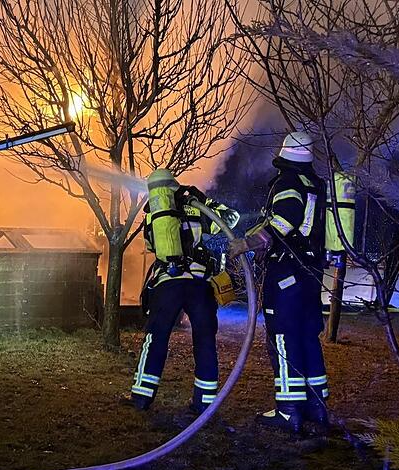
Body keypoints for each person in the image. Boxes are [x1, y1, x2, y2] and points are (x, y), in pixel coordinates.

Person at [228, 132, 330, 433]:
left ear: (284, 158)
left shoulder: (288, 183)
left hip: (287, 274)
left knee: (283, 339)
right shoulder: (316, 185)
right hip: (310, 274)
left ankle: (288, 411)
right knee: (308, 339)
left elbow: (282, 223)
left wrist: (247, 243)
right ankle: (317, 409)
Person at [126, 168, 239, 412]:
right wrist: (203, 205)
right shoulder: (197, 205)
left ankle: (141, 397)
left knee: (156, 337)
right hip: (199, 282)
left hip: (168, 281)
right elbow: (231, 220)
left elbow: (149, 243)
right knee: (205, 339)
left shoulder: (154, 211)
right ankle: (205, 401)